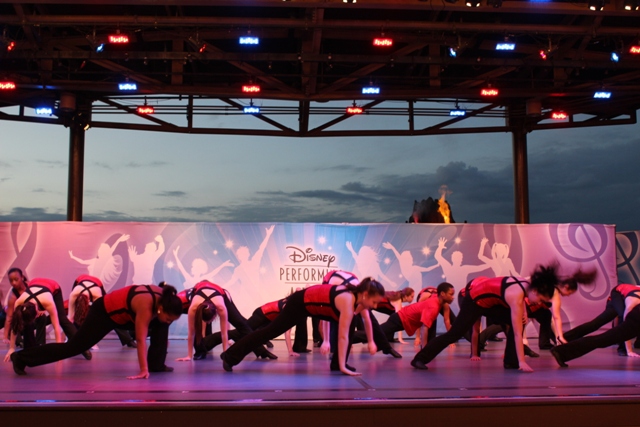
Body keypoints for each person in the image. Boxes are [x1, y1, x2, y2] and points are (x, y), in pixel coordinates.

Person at [9, 283, 183, 379]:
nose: (169, 322)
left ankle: (156, 365)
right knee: (73, 347)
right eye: (169, 318)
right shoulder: (145, 306)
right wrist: (143, 369)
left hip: (123, 315)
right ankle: (21, 358)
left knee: (161, 324)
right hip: (103, 313)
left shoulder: (165, 299)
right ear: (160, 308)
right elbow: (140, 339)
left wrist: (163, 336)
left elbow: (162, 321)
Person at [410, 264, 562, 372]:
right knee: (454, 334)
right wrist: (523, 362)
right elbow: (517, 333)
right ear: (535, 291)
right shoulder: (516, 296)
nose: (539, 303)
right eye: (540, 299)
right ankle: (419, 359)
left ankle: (511, 361)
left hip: (490, 303)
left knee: (519, 321)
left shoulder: (525, 285)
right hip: (473, 301)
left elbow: (522, 299)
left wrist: (525, 313)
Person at [220, 278, 385, 376]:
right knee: (269, 332)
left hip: (315, 306)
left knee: (351, 324)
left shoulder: (359, 301)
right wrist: (343, 366)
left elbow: (367, 320)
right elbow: (342, 337)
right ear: (365, 295)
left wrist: (371, 341)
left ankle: (337, 363)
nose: (375, 306)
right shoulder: (348, 300)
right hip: (299, 303)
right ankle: (230, 356)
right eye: (374, 302)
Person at [175, 280, 275, 361]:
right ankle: (200, 351)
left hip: (221, 293)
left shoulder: (221, 306)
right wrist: (189, 356)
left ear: (216, 313)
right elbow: (191, 333)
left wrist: (225, 353)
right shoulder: (193, 308)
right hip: (199, 291)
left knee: (241, 324)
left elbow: (224, 334)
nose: (208, 323)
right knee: (196, 329)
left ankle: (261, 351)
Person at [4, 277, 91, 362]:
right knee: (26, 323)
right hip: (34, 283)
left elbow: (56, 326)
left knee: (61, 318)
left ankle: (83, 347)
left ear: (37, 310)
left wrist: (59, 351)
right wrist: (11, 349)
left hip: (53, 286)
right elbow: (15, 325)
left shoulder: (48, 302)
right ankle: (31, 349)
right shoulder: (19, 303)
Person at [550, 289, 640, 367]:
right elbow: (625, 323)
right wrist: (629, 350)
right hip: (631, 315)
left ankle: (561, 349)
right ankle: (561, 350)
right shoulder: (633, 299)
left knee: (602, 337)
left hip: (630, 311)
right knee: (602, 337)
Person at [353, 282, 455, 351]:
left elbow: (443, 320)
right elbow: (424, 327)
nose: (453, 297)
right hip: (398, 319)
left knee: (378, 333)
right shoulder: (432, 305)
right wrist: (419, 344)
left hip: (399, 319)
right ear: (442, 294)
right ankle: (349, 337)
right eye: (451, 294)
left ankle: (381, 346)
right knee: (375, 333)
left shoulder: (438, 303)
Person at [198, 296, 299, 358]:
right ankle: (206, 343)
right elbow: (287, 331)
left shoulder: (292, 304)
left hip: (268, 318)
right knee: (238, 333)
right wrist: (290, 351)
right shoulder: (289, 306)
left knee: (255, 334)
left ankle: (261, 352)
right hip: (261, 315)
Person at [563, 283, 640, 356]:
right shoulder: (633, 301)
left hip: (626, 296)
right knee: (598, 323)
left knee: (627, 319)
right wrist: (629, 351)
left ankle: (637, 343)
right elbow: (625, 324)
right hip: (617, 293)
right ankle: (564, 337)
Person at [67, 274, 136, 348]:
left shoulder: (97, 295)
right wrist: (67, 339)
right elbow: (70, 318)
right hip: (80, 282)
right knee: (77, 315)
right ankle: (75, 338)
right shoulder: (74, 294)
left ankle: (128, 340)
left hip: (97, 284)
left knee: (111, 315)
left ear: (89, 301)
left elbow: (96, 320)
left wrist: (92, 342)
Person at [3, 268, 35, 345]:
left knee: (42, 317)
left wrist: (42, 309)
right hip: (16, 318)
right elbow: (9, 317)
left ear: (22, 277)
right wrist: (5, 336)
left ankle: (40, 344)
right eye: (11, 281)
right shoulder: (12, 296)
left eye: (16, 279)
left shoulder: (31, 286)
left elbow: (40, 299)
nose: (13, 283)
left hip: (29, 316)